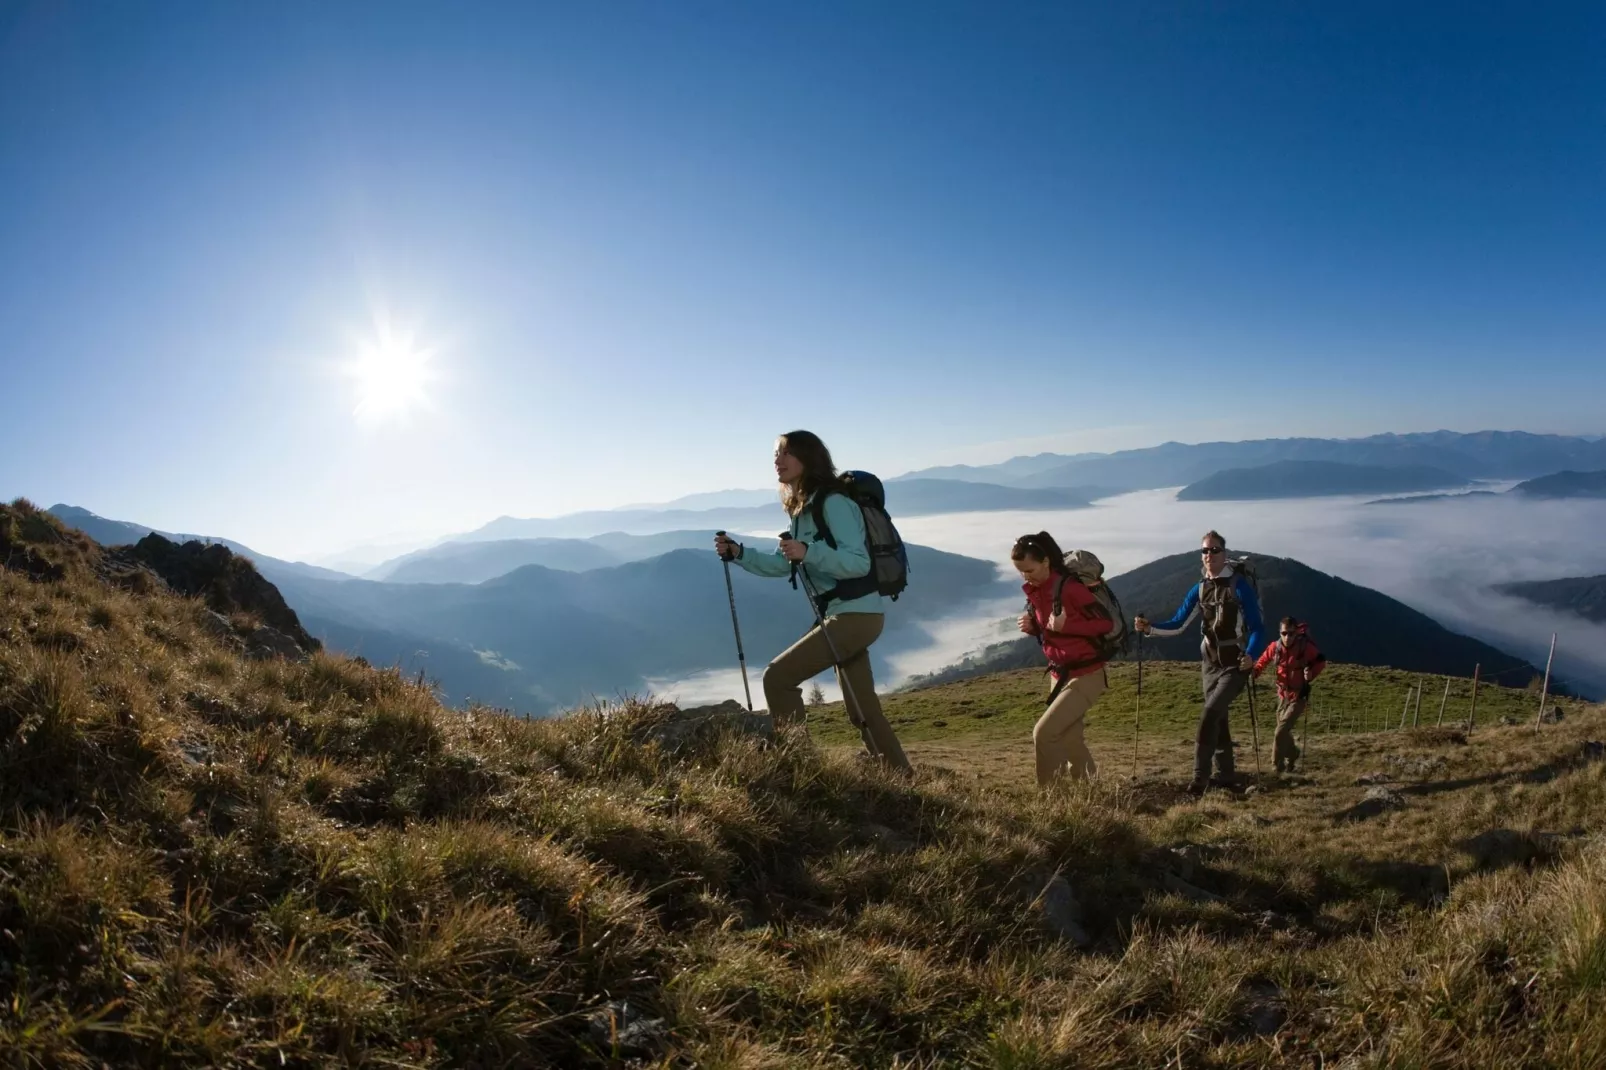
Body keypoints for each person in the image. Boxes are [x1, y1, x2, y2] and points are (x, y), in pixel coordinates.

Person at [713, 430, 912, 773]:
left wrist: (809, 551)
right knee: (861, 707)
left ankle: (801, 770)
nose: (778, 461)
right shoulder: (802, 508)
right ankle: (900, 776)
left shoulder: (833, 503)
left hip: (856, 614)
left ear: (808, 457)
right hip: (840, 613)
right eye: (776, 454)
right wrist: (740, 553)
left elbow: (858, 562)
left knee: (777, 678)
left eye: (785, 453)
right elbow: (784, 564)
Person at [1133, 530, 1266, 794]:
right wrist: (1149, 629)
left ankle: (1199, 780)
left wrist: (1251, 655)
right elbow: (1179, 623)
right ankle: (1226, 775)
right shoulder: (1199, 588)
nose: (1209, 555)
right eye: (1205, 551)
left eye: (1214, 550)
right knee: (1219, 719)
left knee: (1209, 715)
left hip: (1235, 663)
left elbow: (1258, 627)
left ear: (1224, 554)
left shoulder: (1239, 586)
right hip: (1210, 661)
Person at [1012, 532, 1118, 788]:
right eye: (1021, 572)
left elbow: (1105, 623)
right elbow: (1050, 628)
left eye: (1030, 569)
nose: (1026, 576)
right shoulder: (1037, 590)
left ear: (1046, 562)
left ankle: (1051, 801)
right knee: (1069, 739)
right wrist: (1034, 626)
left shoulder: (1069, 588)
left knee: (1044, 733)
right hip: (1059, 674)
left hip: (1086, 674)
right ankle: (1091, 795)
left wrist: (1067, 624)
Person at [1254, 616, 1326, 774]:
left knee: (1280, 731)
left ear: (1296, 633)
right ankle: (1293, 754)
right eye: (1284, 633)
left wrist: (1311, 674)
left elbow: (1321, 661)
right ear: (1280, 633)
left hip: (1299, 696)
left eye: (1291, 634)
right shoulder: (1275, 647)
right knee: (1283, 732)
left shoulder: (1305, 647)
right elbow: (1263, 660)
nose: (1287, 637)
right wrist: (1255, 672)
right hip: (1282, 696)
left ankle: (1277, 766)